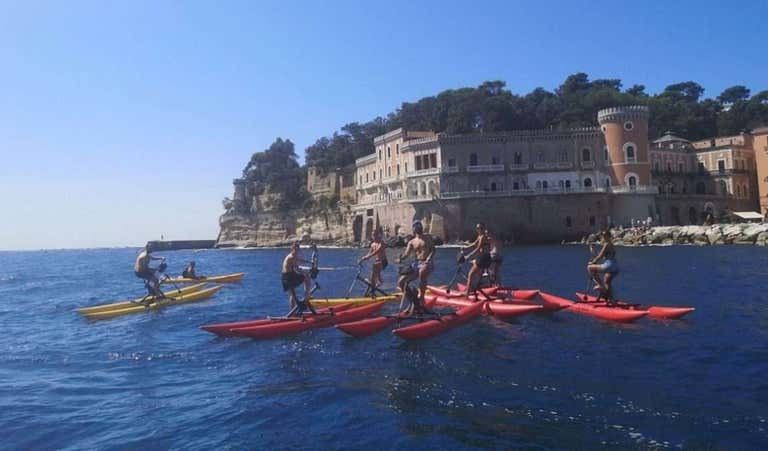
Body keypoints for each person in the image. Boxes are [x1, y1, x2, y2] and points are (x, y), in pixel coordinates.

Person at [396, 220, 435, 315]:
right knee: (401, 282)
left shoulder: (427, 237)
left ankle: (422, 299)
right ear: (413, 228)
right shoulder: (412, 242)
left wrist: (429, 258)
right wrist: (400, 258)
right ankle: (413, 301)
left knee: (422, 272)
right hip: (416, 264)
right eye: (416, 225)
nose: (418, 227)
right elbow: (406, 254)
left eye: (419, 225)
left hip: (427, 262)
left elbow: (433, 250)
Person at [587, 229, 619, 304]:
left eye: (603, 236)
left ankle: (601, 286)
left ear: (607, 237)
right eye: (602, 236)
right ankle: (611, 299)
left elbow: (600, 256)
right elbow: (603, 255)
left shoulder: (606, 244)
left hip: (609, 265)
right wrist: (593, 250)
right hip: (615, 266)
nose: (602, 237)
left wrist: (592, 262)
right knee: (607, 282)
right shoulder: (611, 244)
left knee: (589, 268)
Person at [459, 223, 492, 296]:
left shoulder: (483, 237)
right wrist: (465, 248)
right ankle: (475, 287)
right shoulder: (479, 236)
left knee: (470, 274)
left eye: (480, 228)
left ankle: (467, 293)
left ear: (483, 229)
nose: (478, 230)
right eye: (477, 228)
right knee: (474, 266)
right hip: (485, 258)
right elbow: (474, 244)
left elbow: (478, 248)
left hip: (484, 258)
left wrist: (468, 255)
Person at [282, 241, 313, 314]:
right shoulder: (291, 257)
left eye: (298, 249)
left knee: (293, 295)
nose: (297, 251)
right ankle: (307, 296)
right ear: (292, 249)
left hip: (287, 276)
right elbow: (297, 267)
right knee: (307, 277)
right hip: (288, 277)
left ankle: (293, 312)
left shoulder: (293, 256)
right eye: (295, 249)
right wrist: (305, 271)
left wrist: (308, 262)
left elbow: (299, 260)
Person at [358, 229, 388, 294]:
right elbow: (369, 253)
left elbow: (376, 252)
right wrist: (362, 259)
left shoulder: (381, 243)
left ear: (378, 235)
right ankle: (379, 282)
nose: (374, 236)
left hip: (383, 262)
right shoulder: (372, 244)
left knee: (374, 272)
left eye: (375, 235)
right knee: (375, 274)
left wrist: (367, 257)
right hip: (377, 262)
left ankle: (373, 292)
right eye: (373, 235)